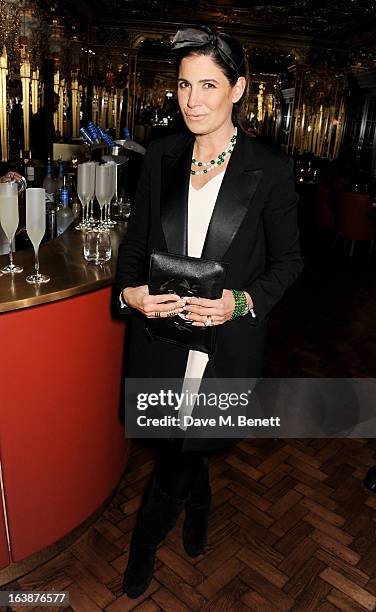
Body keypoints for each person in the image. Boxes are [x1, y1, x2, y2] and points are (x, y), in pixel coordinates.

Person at [115, 25, 303, 598]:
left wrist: (239, 303)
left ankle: (142, 548)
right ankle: (198, 511)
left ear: (239, 89)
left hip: (223, 347)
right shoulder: (164, 155)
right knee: (179, 447)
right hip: (160, 340)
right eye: (183, 85)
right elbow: (137, 246)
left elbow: (290, 262)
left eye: (208, 85)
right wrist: (130, 294)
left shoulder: (268, 169)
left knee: (179, 455)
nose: (191, 100)